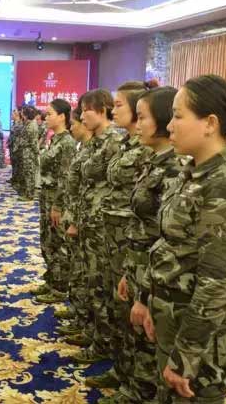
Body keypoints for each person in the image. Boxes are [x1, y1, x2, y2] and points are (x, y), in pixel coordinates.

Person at [144, 74, 226, 404]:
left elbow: (217, 284)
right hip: (175, 320)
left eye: (178, 116)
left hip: (201, 345)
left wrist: (185, 357)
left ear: (210, 123)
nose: (170, 126)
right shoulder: (194, 172)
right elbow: (170, 245)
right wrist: (151, 298)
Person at [88, 82, 155, 400]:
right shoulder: (126, 143)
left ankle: (136, 383)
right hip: (116, 237)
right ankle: (122, 369)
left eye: (119, 105)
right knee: (118, 307)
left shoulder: (148, 149)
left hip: (132, 242)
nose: (113, 110)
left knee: (132, 314)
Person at [72, 89, 122, 365]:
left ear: (102, 110)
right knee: (91, 281)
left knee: (101, 286)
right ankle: (94, 333)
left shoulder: (114, 142)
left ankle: (102, 343)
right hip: (89, 220)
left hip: (102, 226)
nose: (81, 117)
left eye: (86, 110)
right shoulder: (95, 141)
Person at [56, 100, 96, 349]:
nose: (72, 127)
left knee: (86, 274)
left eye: (75, 122)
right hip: (78, 216)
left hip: (91, 224)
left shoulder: (99, 147)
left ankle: (87, 323)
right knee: (79, 269)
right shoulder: (84, 147)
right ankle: (80, 315)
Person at [34, 99, 76, 304]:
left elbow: (66, 177)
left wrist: (58, 205)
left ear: (62, 117)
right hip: (47, 196)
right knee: (47, 240)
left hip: (56, 199)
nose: (46, 117)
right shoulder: (55, 139)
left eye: (50, 114)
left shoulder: (67, 142)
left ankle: (60, 287)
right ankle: (51, 280)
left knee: (57, 243)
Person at [17, 105, 40, 200]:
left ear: (26, 115)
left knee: (29, 173)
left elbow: (33, 142)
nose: (21, 114)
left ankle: (29, 195)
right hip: (26, 152)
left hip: (29, 153)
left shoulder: (31, 126)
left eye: (23, 113)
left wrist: (36, 153)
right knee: (27, 173)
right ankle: (27, 193)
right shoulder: (28, 124)